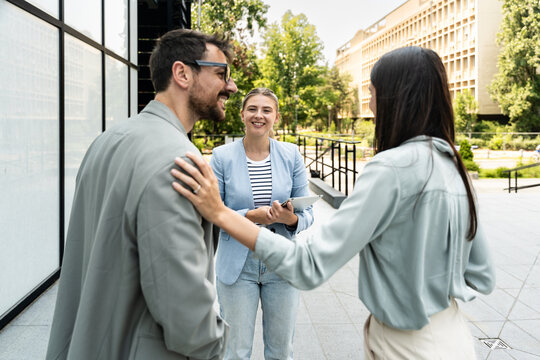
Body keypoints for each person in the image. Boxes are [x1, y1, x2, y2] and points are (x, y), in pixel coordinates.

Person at [171, 46, 496, 359]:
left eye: (372, 92)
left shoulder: (388, 170)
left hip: (404, 344)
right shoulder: (456, 167)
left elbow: (308, 266)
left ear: (396, 97)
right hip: (453, 337)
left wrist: (219, 212)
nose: (369, 103)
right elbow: (481, 276)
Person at [46, 29, 238, 360]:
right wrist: (216, 345)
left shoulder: (108, 139)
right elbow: (187, 317)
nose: (231, 87)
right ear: (182, 73)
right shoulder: (179, 161)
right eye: (221, 74)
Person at [210, 88, 314, 360]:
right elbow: (212, 212)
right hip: (237, 265)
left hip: (281, 262)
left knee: (281, 352)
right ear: (242, 114)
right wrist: (250, 216)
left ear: (276, 116)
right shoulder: (221, 157)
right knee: (236, 352)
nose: (259, 115)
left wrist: (289, 218)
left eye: (266, 110)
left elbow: (308, 212)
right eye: (253, 109)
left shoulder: (291, 155)